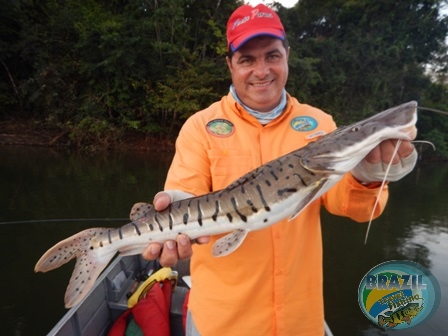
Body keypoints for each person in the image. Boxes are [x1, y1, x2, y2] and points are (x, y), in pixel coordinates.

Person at [140, 3, 417, 335]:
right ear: (230, 65)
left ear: (287, 55)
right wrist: (170, 212)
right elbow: (186, 198)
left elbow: (353, 208)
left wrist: (368, 177)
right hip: (222, 322)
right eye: (247, 59)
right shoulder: (200, 127)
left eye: (272, 55)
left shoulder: (320, 123)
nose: (262, 70)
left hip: (301, 320)